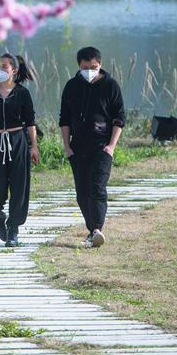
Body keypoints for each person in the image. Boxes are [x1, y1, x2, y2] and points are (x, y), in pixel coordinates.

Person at [58, 46, 125, 248]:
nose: (90, 71)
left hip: (102, 146)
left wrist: (111, 146)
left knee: (97, 187)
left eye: (93, 67)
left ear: (100, 65)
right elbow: (64, 119)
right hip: (78, 147)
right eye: (85, 67)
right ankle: (92, 231)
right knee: (82, 192)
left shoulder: (110, 85)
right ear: (79, 66)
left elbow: (119, 118)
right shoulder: (71, 86)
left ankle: (96, 229)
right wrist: (67, 146)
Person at [0, 53, 40, 247]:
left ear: (14, 70)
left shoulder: (22, 93)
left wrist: (34, 146)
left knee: (19, 186)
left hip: (18, 141)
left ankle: (13, 229)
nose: (0, 69)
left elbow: (30, 122)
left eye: (4, 66)